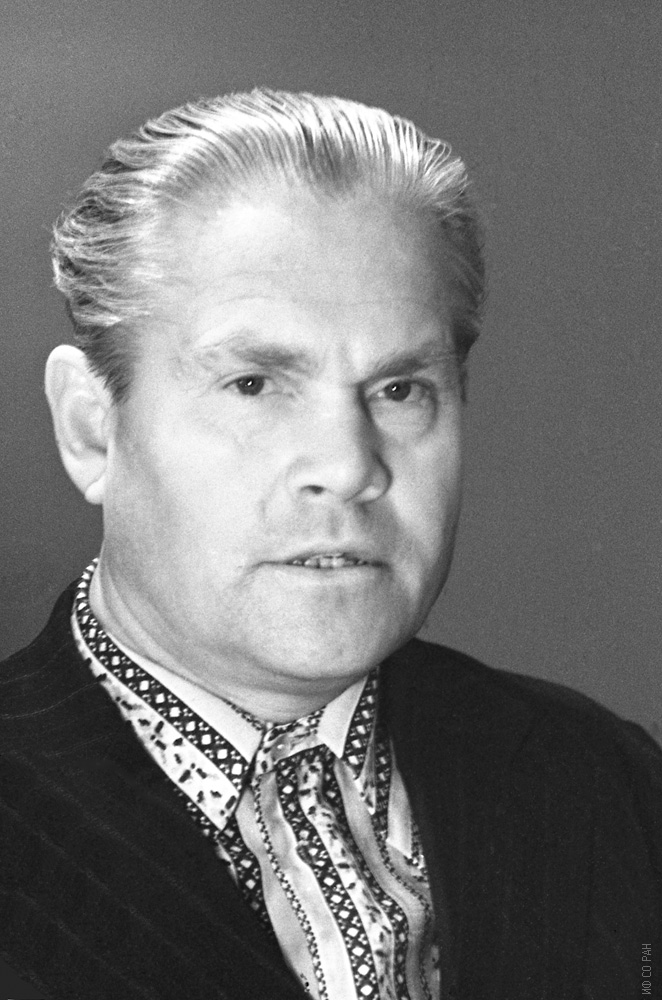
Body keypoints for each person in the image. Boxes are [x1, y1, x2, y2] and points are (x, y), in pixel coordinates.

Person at [0, 90, 660, 1000]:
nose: (349, 467)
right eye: (254, 384)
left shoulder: (604, 781)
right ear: (91, 429)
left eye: (400, 390)